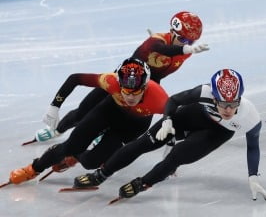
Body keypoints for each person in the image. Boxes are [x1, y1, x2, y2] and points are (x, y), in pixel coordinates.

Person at [74, 69, 266, 201]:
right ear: (214, 96)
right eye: (223, 103)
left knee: (176, 155)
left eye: (233, 104)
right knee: (146, 142)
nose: (228, 110)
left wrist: (253, 176)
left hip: (217, 133)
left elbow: (253, 146)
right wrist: (169, 119)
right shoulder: (203, 91)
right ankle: (100, 174)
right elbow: (173, 101)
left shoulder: (250, 115)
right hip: (194, 116)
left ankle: (143, 182)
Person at [35, 11, 209, 142]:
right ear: (172, 31)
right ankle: (57, 130)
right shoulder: (160, 42)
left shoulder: (186, 50)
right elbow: (161, 48)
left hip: (147, 90)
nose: (188, 45)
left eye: (191, 42)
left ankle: (103, 135)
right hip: (123, 81)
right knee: (83, 111)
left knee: (127, 121)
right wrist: (185, 48)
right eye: (185, 40)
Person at [7, 59, 169, 185]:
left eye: (136, 92)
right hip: (108, 111)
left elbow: (177, 118)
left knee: (91, 162)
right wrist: (54, 106)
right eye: (126, 91)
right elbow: (74, 78)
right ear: (119, 83)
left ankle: (76, 157)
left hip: (132, 127)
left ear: (146, 86)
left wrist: (171, 146)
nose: (130, 97)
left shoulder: (160, 99)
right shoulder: (110, 80)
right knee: (69, 146)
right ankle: (34, 168)